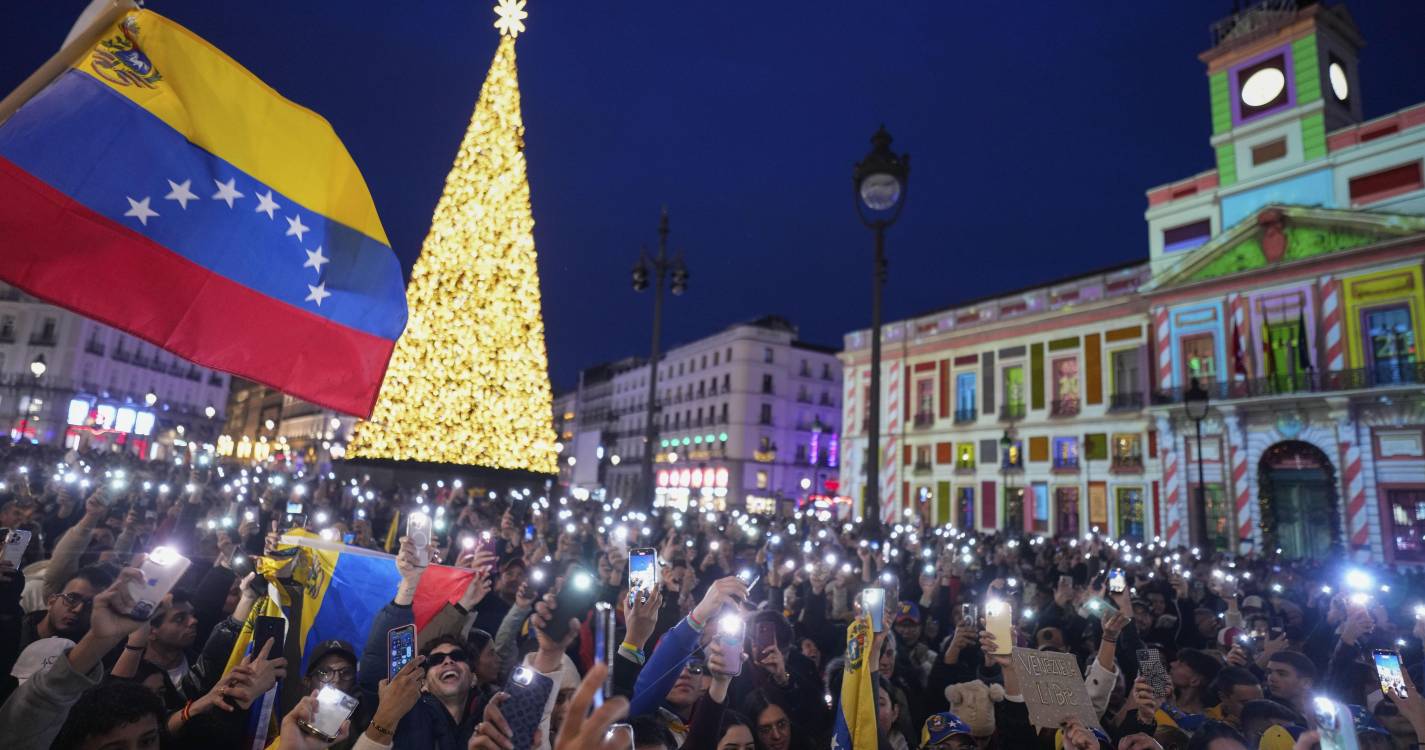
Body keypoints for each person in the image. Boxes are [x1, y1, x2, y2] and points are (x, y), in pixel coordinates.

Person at [1264, 651, 1315, 716]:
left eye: (1282, 674)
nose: (1271, 678)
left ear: (1306, 683)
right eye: (1269, 672)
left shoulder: (1322, 714)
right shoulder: (1263, 710)